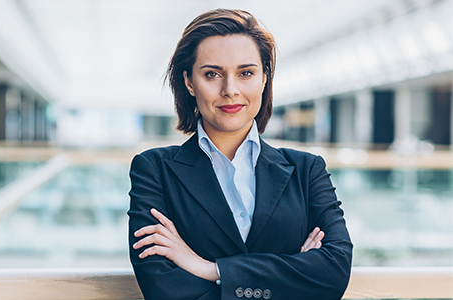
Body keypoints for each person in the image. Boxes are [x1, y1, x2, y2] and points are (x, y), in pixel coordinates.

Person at [128, 9, 352, 300]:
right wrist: (295, 276)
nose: (230, 90)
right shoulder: (154, 170)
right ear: (189, 82)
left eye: (246, 73)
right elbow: (164, 289)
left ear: (264, 78)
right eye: (212, 74)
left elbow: (333, 272)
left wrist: (209, 269)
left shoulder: (306, 170)